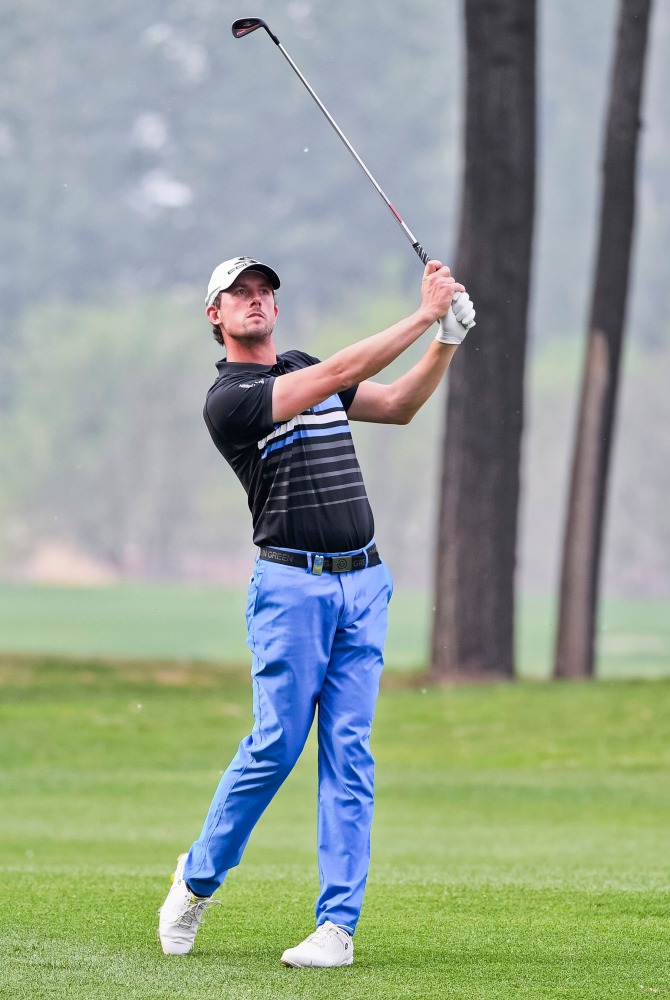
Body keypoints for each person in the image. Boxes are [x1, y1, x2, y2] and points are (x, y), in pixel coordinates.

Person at [158, 254, 475, 967]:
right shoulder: (232, 400)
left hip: (364, 583)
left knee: (350, 755)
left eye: (264, 290)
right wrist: (424, 312)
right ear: (215, 315)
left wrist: (445, 342)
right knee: (276, 745)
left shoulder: (302, 363)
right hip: (290, 589)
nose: (255, 300)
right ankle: (198, 879)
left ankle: (337, 926)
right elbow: (331, 380)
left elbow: (395, 406)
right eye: (238, 293)